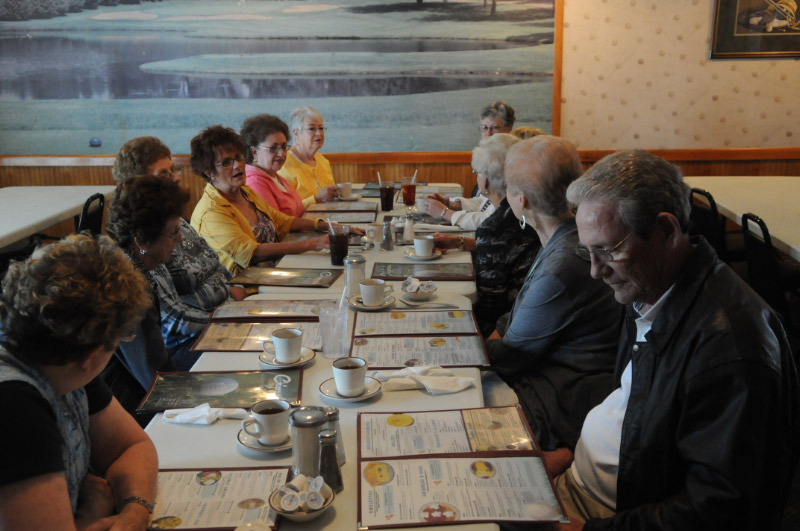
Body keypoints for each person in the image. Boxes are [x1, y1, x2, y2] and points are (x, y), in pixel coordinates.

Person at [545, 149, 799, 529]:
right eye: (588, 252)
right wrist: (569, 453)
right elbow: (629, 403)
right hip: (582, 483)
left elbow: (718, 511)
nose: (596, 271)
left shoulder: (731, 351)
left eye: (609, 250)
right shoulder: (650, 287)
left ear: (667, 231)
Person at [0, 234, 158, 530]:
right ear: (92, 355)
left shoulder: (62, 361)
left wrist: (135, 509)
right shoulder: (14, 404)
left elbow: (131, 446)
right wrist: (94, 509)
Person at [483, 136, 622, 452]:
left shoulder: (563, 265)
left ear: (522, 200)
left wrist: (486, 346)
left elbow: (509, 358)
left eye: (509, 189)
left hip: (561, 404)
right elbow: (514, 317)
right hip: (552, 380)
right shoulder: (563, 237)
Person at [113, 136, 244, 361]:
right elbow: (175, 319)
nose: (176, 178)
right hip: (190, 340)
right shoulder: (146, 245)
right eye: (165, 174)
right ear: (141, 185)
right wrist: (230, 320)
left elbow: (213, 262)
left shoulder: (174, 221)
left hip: (222, 315)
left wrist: (235, 289)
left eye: (174, 170)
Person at [190, 125, 346, 275]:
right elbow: (252, 253)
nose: (237, 165)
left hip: (275, 269)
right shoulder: (211, 211)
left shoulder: (245, 192)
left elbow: (283, 221)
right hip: (244, 284)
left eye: (238, 157)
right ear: (208, 171)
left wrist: (329, 226)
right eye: (226, 162)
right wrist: (313, 244)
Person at [431, 134, 540, 336]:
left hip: (510, 327)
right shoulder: (531, 210)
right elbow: (509, 251)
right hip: (531, 315)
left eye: (476, 172)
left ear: (486, 180)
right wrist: (464, 243)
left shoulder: (494, 228)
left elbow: (490, 304)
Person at [106, 175, 194, 413]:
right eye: (173, 232)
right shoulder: (129, 287)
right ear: (142, 240)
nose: (180, 239)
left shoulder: (124, 261)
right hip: (124, 406)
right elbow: (159, 384)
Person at [423, 134, 520, 230]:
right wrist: (451, 204)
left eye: (476, 172)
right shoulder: (501, 193)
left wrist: (445, 212)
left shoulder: (507, 203)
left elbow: (486, 220)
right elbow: (482, 203)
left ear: (485, 181)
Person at [241, 114, 305, 217]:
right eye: (273, 148)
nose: (281, 154)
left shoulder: (274, 176)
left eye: (284, 147)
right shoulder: (255, 182)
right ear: (254, 152)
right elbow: (275, 223)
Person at [278, 106, 338, 207]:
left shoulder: (323, 161)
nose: (319, 133)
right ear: (296, 133)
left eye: (321, 128)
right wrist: (316, 199)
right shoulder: (284, 166)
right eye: (312, 129)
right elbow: (286, 209)